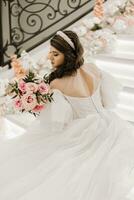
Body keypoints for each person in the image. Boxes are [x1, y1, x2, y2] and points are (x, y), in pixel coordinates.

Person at [0, 30, 134, 200]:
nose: (50, 57)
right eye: (50, 52)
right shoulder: (93, 69)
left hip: (84, 132)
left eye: (55, 53)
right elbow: (108, 103)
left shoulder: (57, 83)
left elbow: (58, 123)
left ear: (68, 54)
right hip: (110, 125)